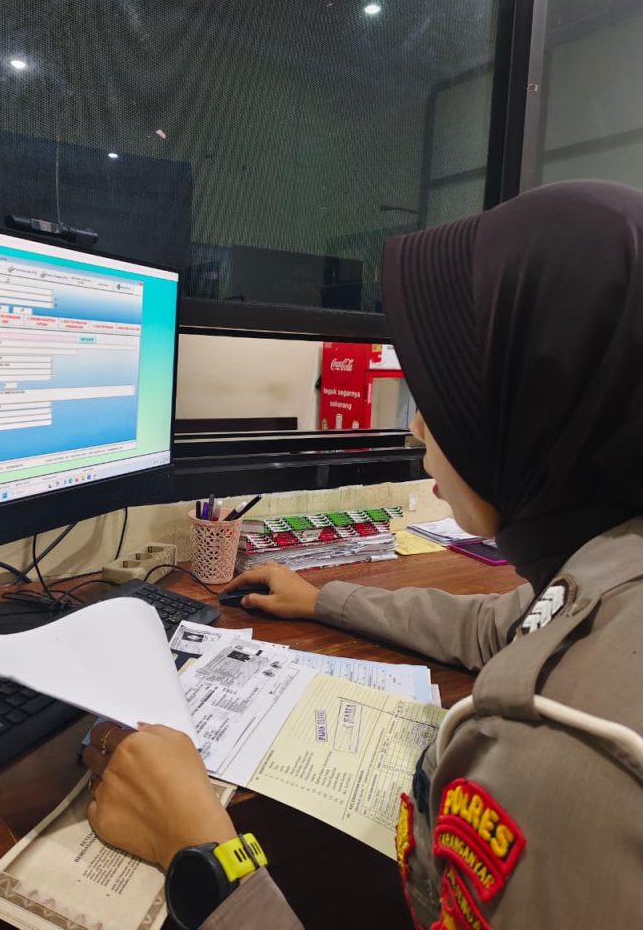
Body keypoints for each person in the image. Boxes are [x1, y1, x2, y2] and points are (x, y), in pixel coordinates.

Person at [82, 180, 643, 928]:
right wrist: (324, 600)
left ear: (536, 405)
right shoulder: (612, 571)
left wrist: (203, 851)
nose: (416, 432)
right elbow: (506, 627)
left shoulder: (574, 750)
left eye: (442, 396)